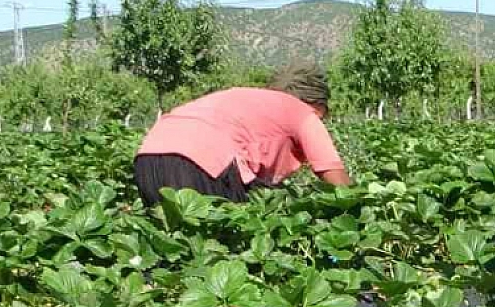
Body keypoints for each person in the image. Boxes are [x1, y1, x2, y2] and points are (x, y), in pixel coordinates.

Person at [133, 62, 351, 206]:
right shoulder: (302, 111)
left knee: (173, 246)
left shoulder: (248, 99)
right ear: (316, 103)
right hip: (202, 163)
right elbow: (336, 181)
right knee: (223, 247)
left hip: (148, 158)